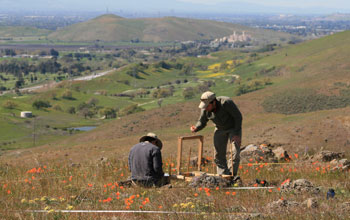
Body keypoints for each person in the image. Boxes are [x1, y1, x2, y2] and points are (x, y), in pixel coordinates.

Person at [190, 91, 242, 176]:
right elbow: (202, 121)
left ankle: (231, 176)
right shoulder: (205, 109)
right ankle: (222, 176)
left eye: (207, 106)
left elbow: (238, 117)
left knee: (235, 152)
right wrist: (196, 127)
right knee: (218, 155)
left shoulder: (226, 103)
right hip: (219, 128)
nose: (205, 108)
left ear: (213, 102)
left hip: (233, 128)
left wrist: (236, 134)